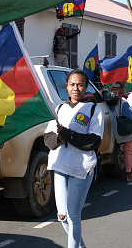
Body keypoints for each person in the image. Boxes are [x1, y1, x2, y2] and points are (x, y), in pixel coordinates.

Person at [44, 70, 103, 248]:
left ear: (85, 87)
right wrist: (60, 138)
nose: (75, 88)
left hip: (81, 169)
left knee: (73, 215)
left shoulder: (93, 109)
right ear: (66, 87)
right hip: (60, 166)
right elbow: (48, 139)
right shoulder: (59, 109)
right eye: (72, 84)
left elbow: (93, 141)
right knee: (62, 216)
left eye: (79, 85)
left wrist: (67, 134)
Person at [108, 81, 132, 182]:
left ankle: (128, 174)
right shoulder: (123, 101)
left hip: (116, 129)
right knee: (129, 151)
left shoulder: (111, 101)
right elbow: (130, 116)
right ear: (121, 89)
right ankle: (129, 175)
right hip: (126, 130)